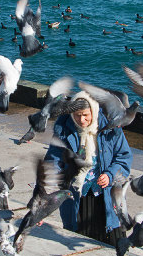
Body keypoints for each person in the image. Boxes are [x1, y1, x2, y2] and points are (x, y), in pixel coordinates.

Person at [43, 92, 133, 246]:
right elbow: (52, 164)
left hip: (107, 195)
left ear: (94, 111)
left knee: (114, 244)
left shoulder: (111, 127)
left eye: (85, 115)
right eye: (77, 115)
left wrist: (110, 175)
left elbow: (123, 157)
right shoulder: (63, 131)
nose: (81, 120)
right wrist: (43, 207)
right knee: (78, 243)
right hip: (77, 197)